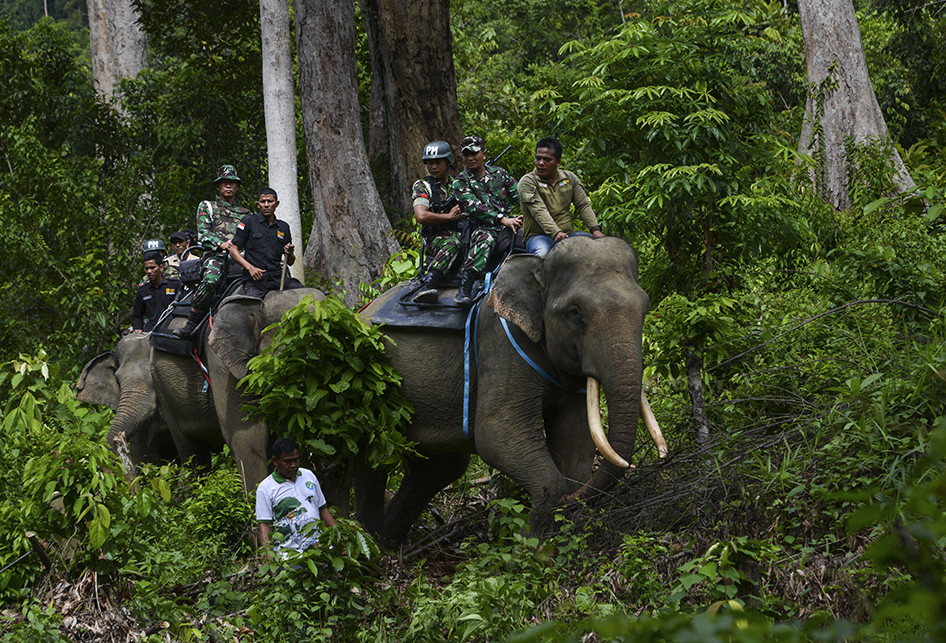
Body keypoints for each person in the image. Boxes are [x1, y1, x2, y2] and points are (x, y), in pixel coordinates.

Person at [174, 165, 251, 338]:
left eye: (232, 183)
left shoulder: (246, 213)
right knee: (211, 280)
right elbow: (204, 234)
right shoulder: (207, 206)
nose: (228, 186)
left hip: (242, 255)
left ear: (237, 186)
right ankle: (192, 321)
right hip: (216, 255)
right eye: (224, 183)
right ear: (218, 186)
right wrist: (222, 244)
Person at [451, 135, 520, 305]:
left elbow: (520, 195)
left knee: (529, 240)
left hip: (507, 226)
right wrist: (501, 218)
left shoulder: (499, 174)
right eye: (466, 155)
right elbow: (473, 207)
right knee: (485, 240)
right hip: (481, 227)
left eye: (474, 153)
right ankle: (465, 287)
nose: (470, 158)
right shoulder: (460, 181)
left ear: (484, 154)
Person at [519, 137, 604, 257]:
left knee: (601, 250)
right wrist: (556, 233)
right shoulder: (528, 181)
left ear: (558, 162)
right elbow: (539, 211)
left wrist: (595, 230)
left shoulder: (569, 178)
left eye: (547, 159)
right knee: (542, 255)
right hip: (538, 236)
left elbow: (583, 205)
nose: (541, 163)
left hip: (569, 234)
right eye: (538, 158)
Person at [256, 437, 336, 557]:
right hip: (289, 557)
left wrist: (338, 539)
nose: (293, 465)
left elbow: (323, 509)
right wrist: (268, 559)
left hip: (319, 551)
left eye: (296, 460)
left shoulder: (308, 476)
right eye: (287, 462)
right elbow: (264, 525)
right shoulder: (266, 487)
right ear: (275, 461)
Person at [411, 141, 463, 303]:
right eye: (430, 163)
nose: (433, 166)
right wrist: (449, 217)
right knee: (454, 242)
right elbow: (421, 216)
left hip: (463, 233)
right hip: (437, 239)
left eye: (438, 162)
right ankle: (430, 282)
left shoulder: (458, 185)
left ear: (448, 162)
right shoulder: (423, 186)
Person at [229, 188, 304, 298]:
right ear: (258, 204)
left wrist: (290, 253)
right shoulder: (248, 221)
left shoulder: (283, 227)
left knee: (305, 294)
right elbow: (233, 250)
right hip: (255, 281)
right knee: (250, 307)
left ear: (277, 204)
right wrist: (250, 268)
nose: (266, 205)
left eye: (270, 201)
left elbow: (291, 262)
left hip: (278, 279)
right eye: (263, 201)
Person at [132, 251, 180, 333]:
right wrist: (137, 328)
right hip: (150, 331)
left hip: (173, 330)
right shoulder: (142, 291)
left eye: (152, 268)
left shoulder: (175, 285)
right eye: (146, 269)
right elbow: (137, 315)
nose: (149, 271)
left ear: (161, 267)